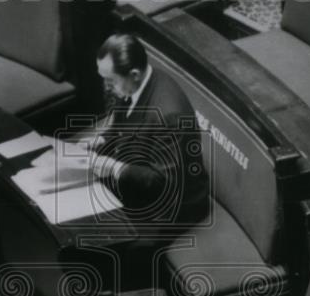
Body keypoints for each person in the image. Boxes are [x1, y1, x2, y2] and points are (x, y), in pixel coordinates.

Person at [66, 33, 210, 229]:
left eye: (110, 81)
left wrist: (115, 168)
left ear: (134, 74)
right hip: (138, 175)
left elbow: (163, 182)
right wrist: (100, 140)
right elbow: (120, 126)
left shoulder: (169, 115)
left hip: (172, 207)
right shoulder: (129, 85)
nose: (106, 87)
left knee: (111, 240)